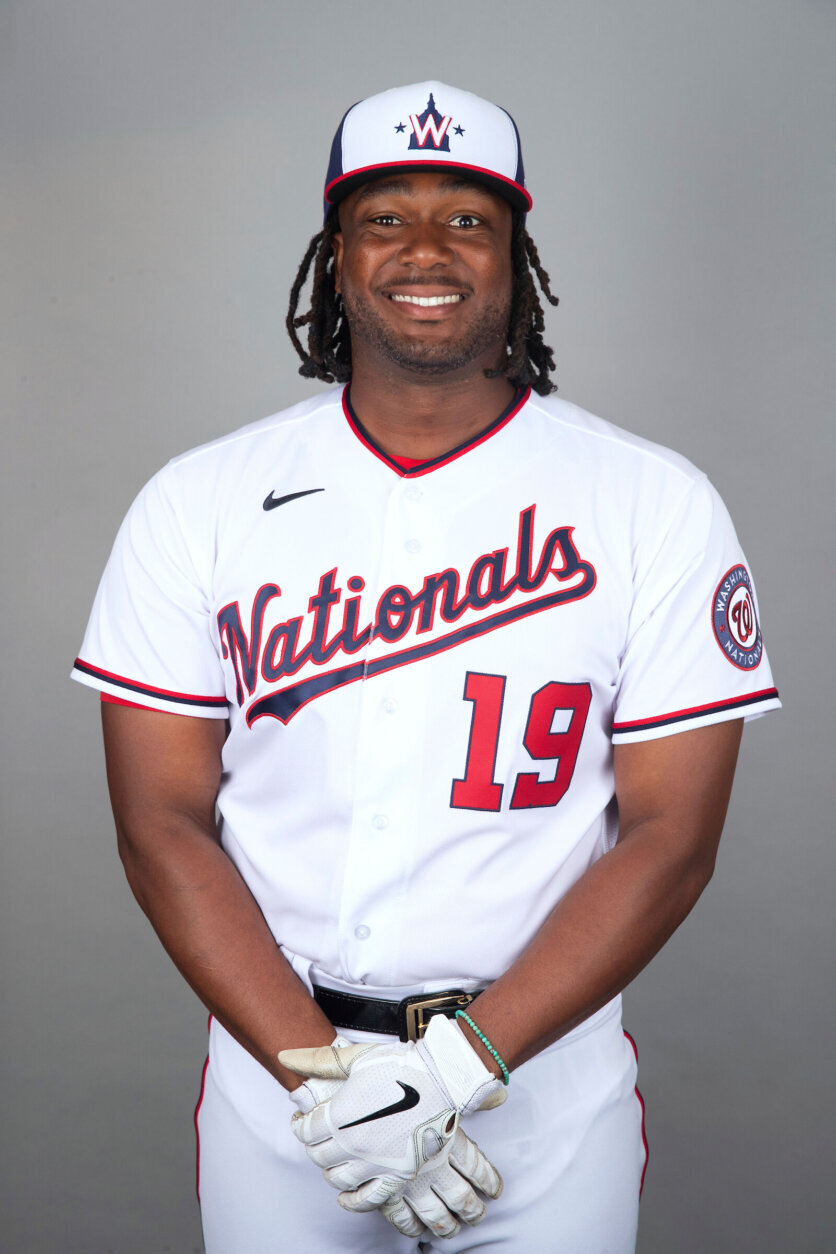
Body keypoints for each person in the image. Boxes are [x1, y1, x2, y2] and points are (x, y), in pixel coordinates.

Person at [72, 81, 780, 1252]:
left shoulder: (652, 501)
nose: (425, 249)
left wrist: (454, 1069)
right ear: (335, 253)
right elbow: (160, 821)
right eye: (383, 217)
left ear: (515, 256)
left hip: (541, 1090)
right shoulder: (197, 501)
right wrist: (328, 1085)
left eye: (466, 219)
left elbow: (670, 839)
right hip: (284, 1085)